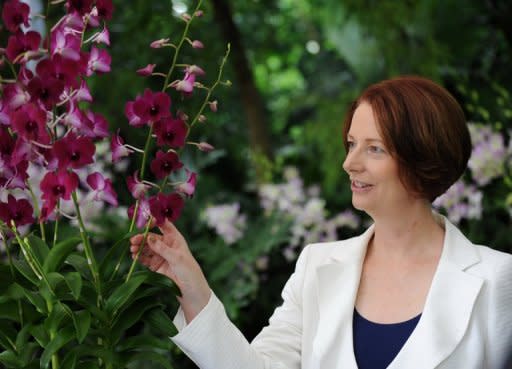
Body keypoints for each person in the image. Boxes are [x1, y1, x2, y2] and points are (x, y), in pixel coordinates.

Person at [130, 76, 512, 369]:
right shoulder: (317, 266)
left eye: (374, 148)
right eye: (351, 144)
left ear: (423, 157)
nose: (350, 163)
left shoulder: (499, 280)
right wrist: (193, 288)